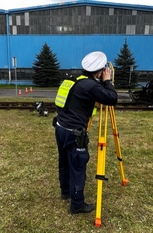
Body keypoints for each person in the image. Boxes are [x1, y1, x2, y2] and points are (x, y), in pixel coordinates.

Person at [54, 51, 118, 214]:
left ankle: (65, 192)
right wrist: (107, 81)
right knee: (77, 167)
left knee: (64, 162)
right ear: (99, 72)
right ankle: (77, 205)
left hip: (60, 127)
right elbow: (112, 98)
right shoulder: (91, 86)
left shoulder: (72, 80)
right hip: (74, 134)